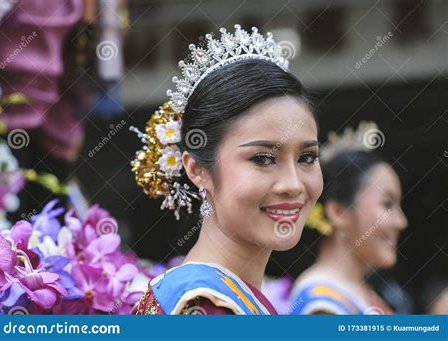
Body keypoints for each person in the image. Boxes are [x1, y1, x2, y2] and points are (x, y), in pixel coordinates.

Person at [130, 25, 323, 314]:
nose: (293, 184)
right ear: (198, 170)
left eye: (306, 158)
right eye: (262, 158)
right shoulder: (203, 306)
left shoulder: (233, 300)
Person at [289, 122, 408, 315]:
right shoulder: (322, 307)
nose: (401, 222)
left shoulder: (361, 293)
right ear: (338, 212)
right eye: (387, 204)